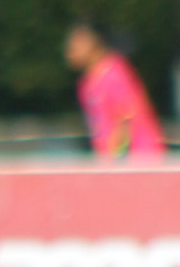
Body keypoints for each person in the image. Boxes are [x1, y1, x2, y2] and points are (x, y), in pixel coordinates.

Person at [67, 20, 166, 163]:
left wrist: (115, 158)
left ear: (95, 42)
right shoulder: (86, 84)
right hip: (112, 163)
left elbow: (127, 117)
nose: (71, 51)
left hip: (138, 159)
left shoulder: (115, 73)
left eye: (77, 43)